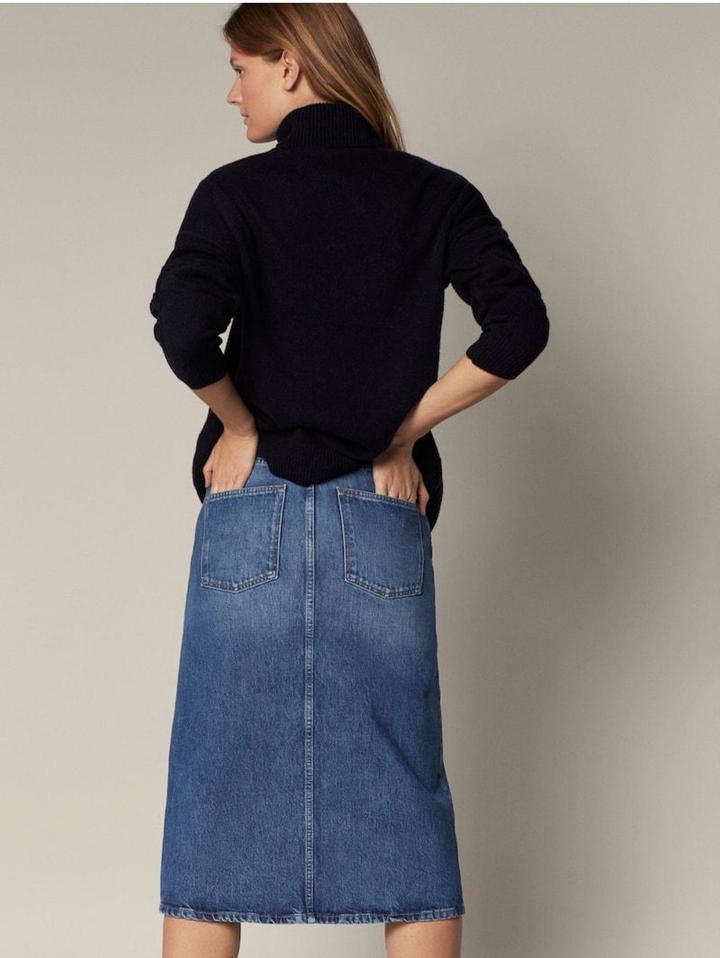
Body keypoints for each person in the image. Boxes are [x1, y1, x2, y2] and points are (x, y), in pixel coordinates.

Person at [149, 5, 549, 958]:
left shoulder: (235, 194)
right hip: (382, 511)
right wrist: (398, 430)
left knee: (212, 800)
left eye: (242, 67)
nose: (232, 91)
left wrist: (241, 425)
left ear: (290, 65)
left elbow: (181, 327)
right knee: (409, 800)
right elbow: (519, 325)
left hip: (251, 517)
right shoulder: (435, 194)